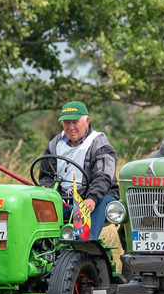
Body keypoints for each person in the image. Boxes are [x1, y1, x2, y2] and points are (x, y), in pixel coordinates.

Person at [38, 101, 119, 240]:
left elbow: (104, 176)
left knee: (94, 207)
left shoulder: (99, 144)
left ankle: (86, 247)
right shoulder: (55, 144)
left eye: (75, 122)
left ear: (86, 121)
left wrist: (92, 198)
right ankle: (45, 247)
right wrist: (47, 189)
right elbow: (46, 176)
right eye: (66, 123)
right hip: (64, 199)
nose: (71, 127)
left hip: (97, 197)